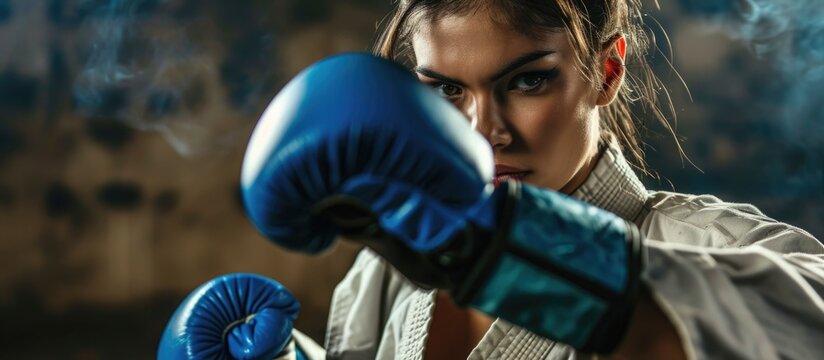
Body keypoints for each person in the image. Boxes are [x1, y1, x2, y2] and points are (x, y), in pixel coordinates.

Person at [159, 1, 824, 359]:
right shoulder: (386, 274)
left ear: (607, 72)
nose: (485, 132)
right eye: (445, 89)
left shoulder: (719, 247)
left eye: (527, 81)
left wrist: (507, 255)